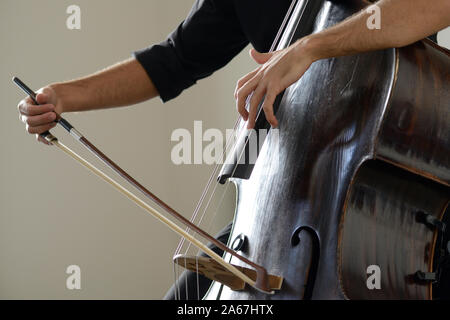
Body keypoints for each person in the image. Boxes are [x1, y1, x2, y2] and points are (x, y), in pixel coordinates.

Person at [17, 0, 449, 299]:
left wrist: (310, 48)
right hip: (277, 220)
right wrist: (64, 96)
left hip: (377, 215)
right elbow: (176, 58)